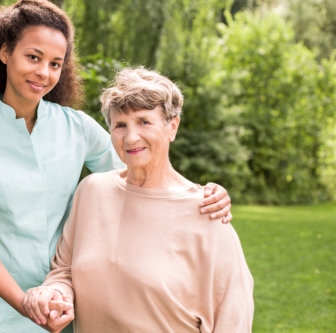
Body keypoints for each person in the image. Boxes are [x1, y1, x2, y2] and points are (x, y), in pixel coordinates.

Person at [0, 1, 233, 332]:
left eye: (55, 63)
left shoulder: (77, 127)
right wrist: (25, 303)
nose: (44, 72)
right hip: (1, 315)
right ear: (5, 53)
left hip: (75, 304)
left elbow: (141, 174)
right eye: (33, 57)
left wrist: (198, 193)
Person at [23, 67, 254, 333]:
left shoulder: (208, 213)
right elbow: (63, 270)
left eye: (144, 121)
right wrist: (53, 294)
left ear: (172, 127)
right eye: (120, 125)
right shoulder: (91, 192)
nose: (131, 137)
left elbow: (233, 318)